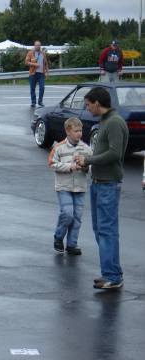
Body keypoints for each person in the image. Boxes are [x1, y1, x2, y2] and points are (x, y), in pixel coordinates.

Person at [75, 87, 129, 289]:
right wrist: (88, 162)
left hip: (108, 184)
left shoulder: (114, 122)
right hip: (98, 183)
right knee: (101, 230)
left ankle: (113, 276)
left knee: (107, 231)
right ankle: (112, 272)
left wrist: (88, 160)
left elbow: (115, 154)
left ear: (97, 103)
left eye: (88, 104)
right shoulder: (105, 121)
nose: (87, 108)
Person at [48, 117, 92, 255]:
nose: (79, 133)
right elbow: (51, 164)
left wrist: (84, 167)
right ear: (67, 131)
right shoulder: (59, 147)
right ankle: (58, 237)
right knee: (67, 213)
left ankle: (72, 244)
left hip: (80, 187)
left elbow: (91, 168)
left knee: (77, 216)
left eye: (81, 130)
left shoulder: (86, 148)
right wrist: (69, 166)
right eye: (76, 130)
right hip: (64, 187)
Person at [25, 40, 49, 107]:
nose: (38, 46)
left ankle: (40, 101)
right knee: (32, 88)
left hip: (41, 73)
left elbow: (46, 63)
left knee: (42, 87)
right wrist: (34, 64)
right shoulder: (30, 53)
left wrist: (47, 72)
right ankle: (33, 102)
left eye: (39, 45)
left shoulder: (43, 53)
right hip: (33, 74)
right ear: (34, 46)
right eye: (37, 45)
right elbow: (26, 62)